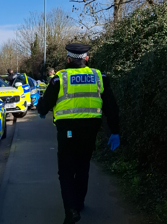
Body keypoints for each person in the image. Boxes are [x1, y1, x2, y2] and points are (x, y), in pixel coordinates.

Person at [37, 43, 120, 224]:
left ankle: (71, 210)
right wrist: (115, 131)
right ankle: (79, 203)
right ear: (87, 59)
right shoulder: (100, 77)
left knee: (66, 171)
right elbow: (111, 107)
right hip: (91, 131)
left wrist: (41, 108)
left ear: (68, 59)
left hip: (67, 131)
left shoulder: (60, 78)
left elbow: (45, 104)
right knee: (83, 166)